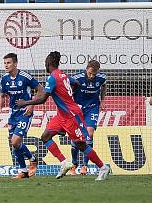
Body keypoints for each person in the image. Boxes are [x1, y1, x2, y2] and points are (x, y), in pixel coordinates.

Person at [16, 51, 111, 181]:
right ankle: (64, 162)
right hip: (62, 115)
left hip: (71, 115)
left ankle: (102, 167)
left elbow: (43, 99)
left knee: (81, 145)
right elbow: (76, 83)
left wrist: (25, 103)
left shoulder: (53, 77)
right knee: (45, 136)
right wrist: (69, 93)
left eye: (45, 62)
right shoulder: (63, 75)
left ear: (48, 63)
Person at [0, 53, 39, 179]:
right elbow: (2, 95)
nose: (6, 65)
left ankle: (32, 159)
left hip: (25, 113)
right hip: (13, 113)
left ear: (15, 63)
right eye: (5, 63)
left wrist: (31, 105)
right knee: (14, 143)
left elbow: (41, 90)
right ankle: (23, 171)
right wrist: (0, 108)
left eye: (9, 63)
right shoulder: (4, 79)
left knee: (15, 141)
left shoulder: (25, 76)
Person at [69, 60, 107, 176]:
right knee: (76, 138)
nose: (91, 76)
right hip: (78, 109)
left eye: (94, 74)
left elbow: (104, 86)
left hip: (92, 108)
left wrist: (102, 100)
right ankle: (74, 164)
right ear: (86, 69)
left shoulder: (102, 78)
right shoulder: (77, 78)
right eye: (90, 73)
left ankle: (85, 165)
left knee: (89, 135)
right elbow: (68, 90)